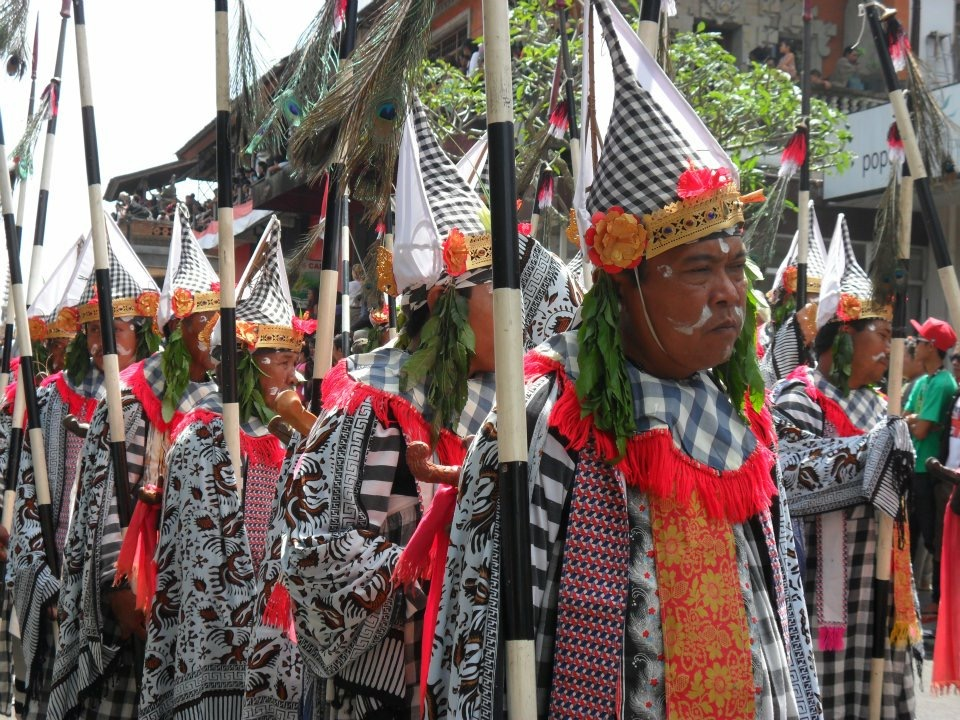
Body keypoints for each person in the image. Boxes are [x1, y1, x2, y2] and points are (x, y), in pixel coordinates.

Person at [427, 2, 820, 717]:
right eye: (699, 269)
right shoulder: (545, 426)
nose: (730, 293)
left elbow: (781, 611)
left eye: (736, 267)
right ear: (624, 284)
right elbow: (481, 657)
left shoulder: (742, 419)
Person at [264, 98, 583, 720]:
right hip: (388, 686)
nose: (520, 314)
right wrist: (440, 557)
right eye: (501, 293)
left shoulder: (523, 400)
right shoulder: (373, 405)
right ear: (444, 303)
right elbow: (314, 559)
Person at [48, 205, 221, 719]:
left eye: (221, 320)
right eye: (205, 320)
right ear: (177, 326)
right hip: (132, 598)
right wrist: (119, 586)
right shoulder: (129, 398)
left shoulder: (224, 403)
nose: (216, 333)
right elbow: (103, 502)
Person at [138, 216, 299, 720]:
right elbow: (199, 570)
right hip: (212, 650)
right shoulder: (200, 440)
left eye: (296, 360)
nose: (294, 375)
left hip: (275, 649)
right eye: (282, 361)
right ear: (249, 363)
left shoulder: (293, 438)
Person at [8, 218, 163, 720]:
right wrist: (47, 582)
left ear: (140, 334)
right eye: (93, 329)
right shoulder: (50, 402)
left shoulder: (158, 404)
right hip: (56, 589)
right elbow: (26, 500)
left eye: (114, 329)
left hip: (129, 595)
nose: (101, 341)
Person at [772, 214, 919, 718]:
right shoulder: (798, 396)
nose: (891, 348)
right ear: (845, 335)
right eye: (882, 333)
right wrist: (873, 451)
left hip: (877, 580)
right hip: (822, 584)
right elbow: (787, 478)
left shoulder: (882, 405)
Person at [905, 316, 958, 616]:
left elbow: (922, 429)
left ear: (933, 346)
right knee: (918, 535)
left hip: (932, 472)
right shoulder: (923, 382)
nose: (914, 344)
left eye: (920, 340)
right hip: (916, 468)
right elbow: (902, 417)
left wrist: (914, 421)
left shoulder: (943, 383)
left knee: (934, 537)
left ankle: (939, 600)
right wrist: (915, 420)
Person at [759, 199, 827, 388]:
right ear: (784, 299)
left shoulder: (826, 354)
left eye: (819, 306)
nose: (811, 314)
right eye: (804, 303)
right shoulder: (756, 342)